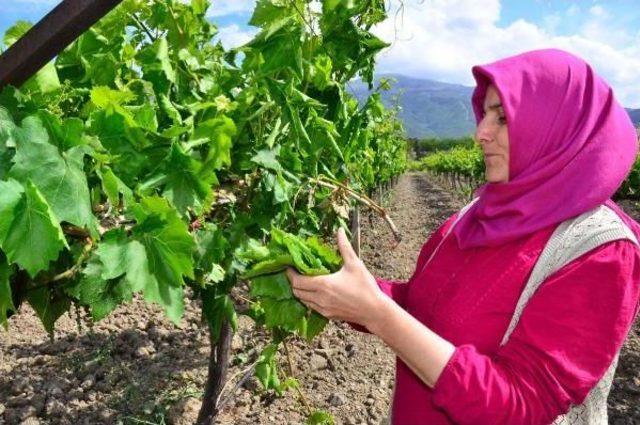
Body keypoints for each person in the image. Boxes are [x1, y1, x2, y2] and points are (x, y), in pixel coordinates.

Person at [285, 48, 640, 425]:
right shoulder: (478, 214)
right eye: (484, 114)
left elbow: (521, 406)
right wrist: (338, 288)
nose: (480, 133)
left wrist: (378, 315)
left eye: (503, 118)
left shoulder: (598, 251)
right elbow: (423, 305)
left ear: (559, 129)